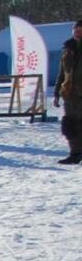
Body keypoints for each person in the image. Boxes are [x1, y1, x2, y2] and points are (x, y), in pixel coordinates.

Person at [53, 19, 82, 165]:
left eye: (80, 31)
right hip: (70, 93)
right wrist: (57, 93)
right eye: (76, 31)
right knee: (70, 126)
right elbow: (62, 73)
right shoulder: (68, 48)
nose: (78, 34)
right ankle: (75, 154)